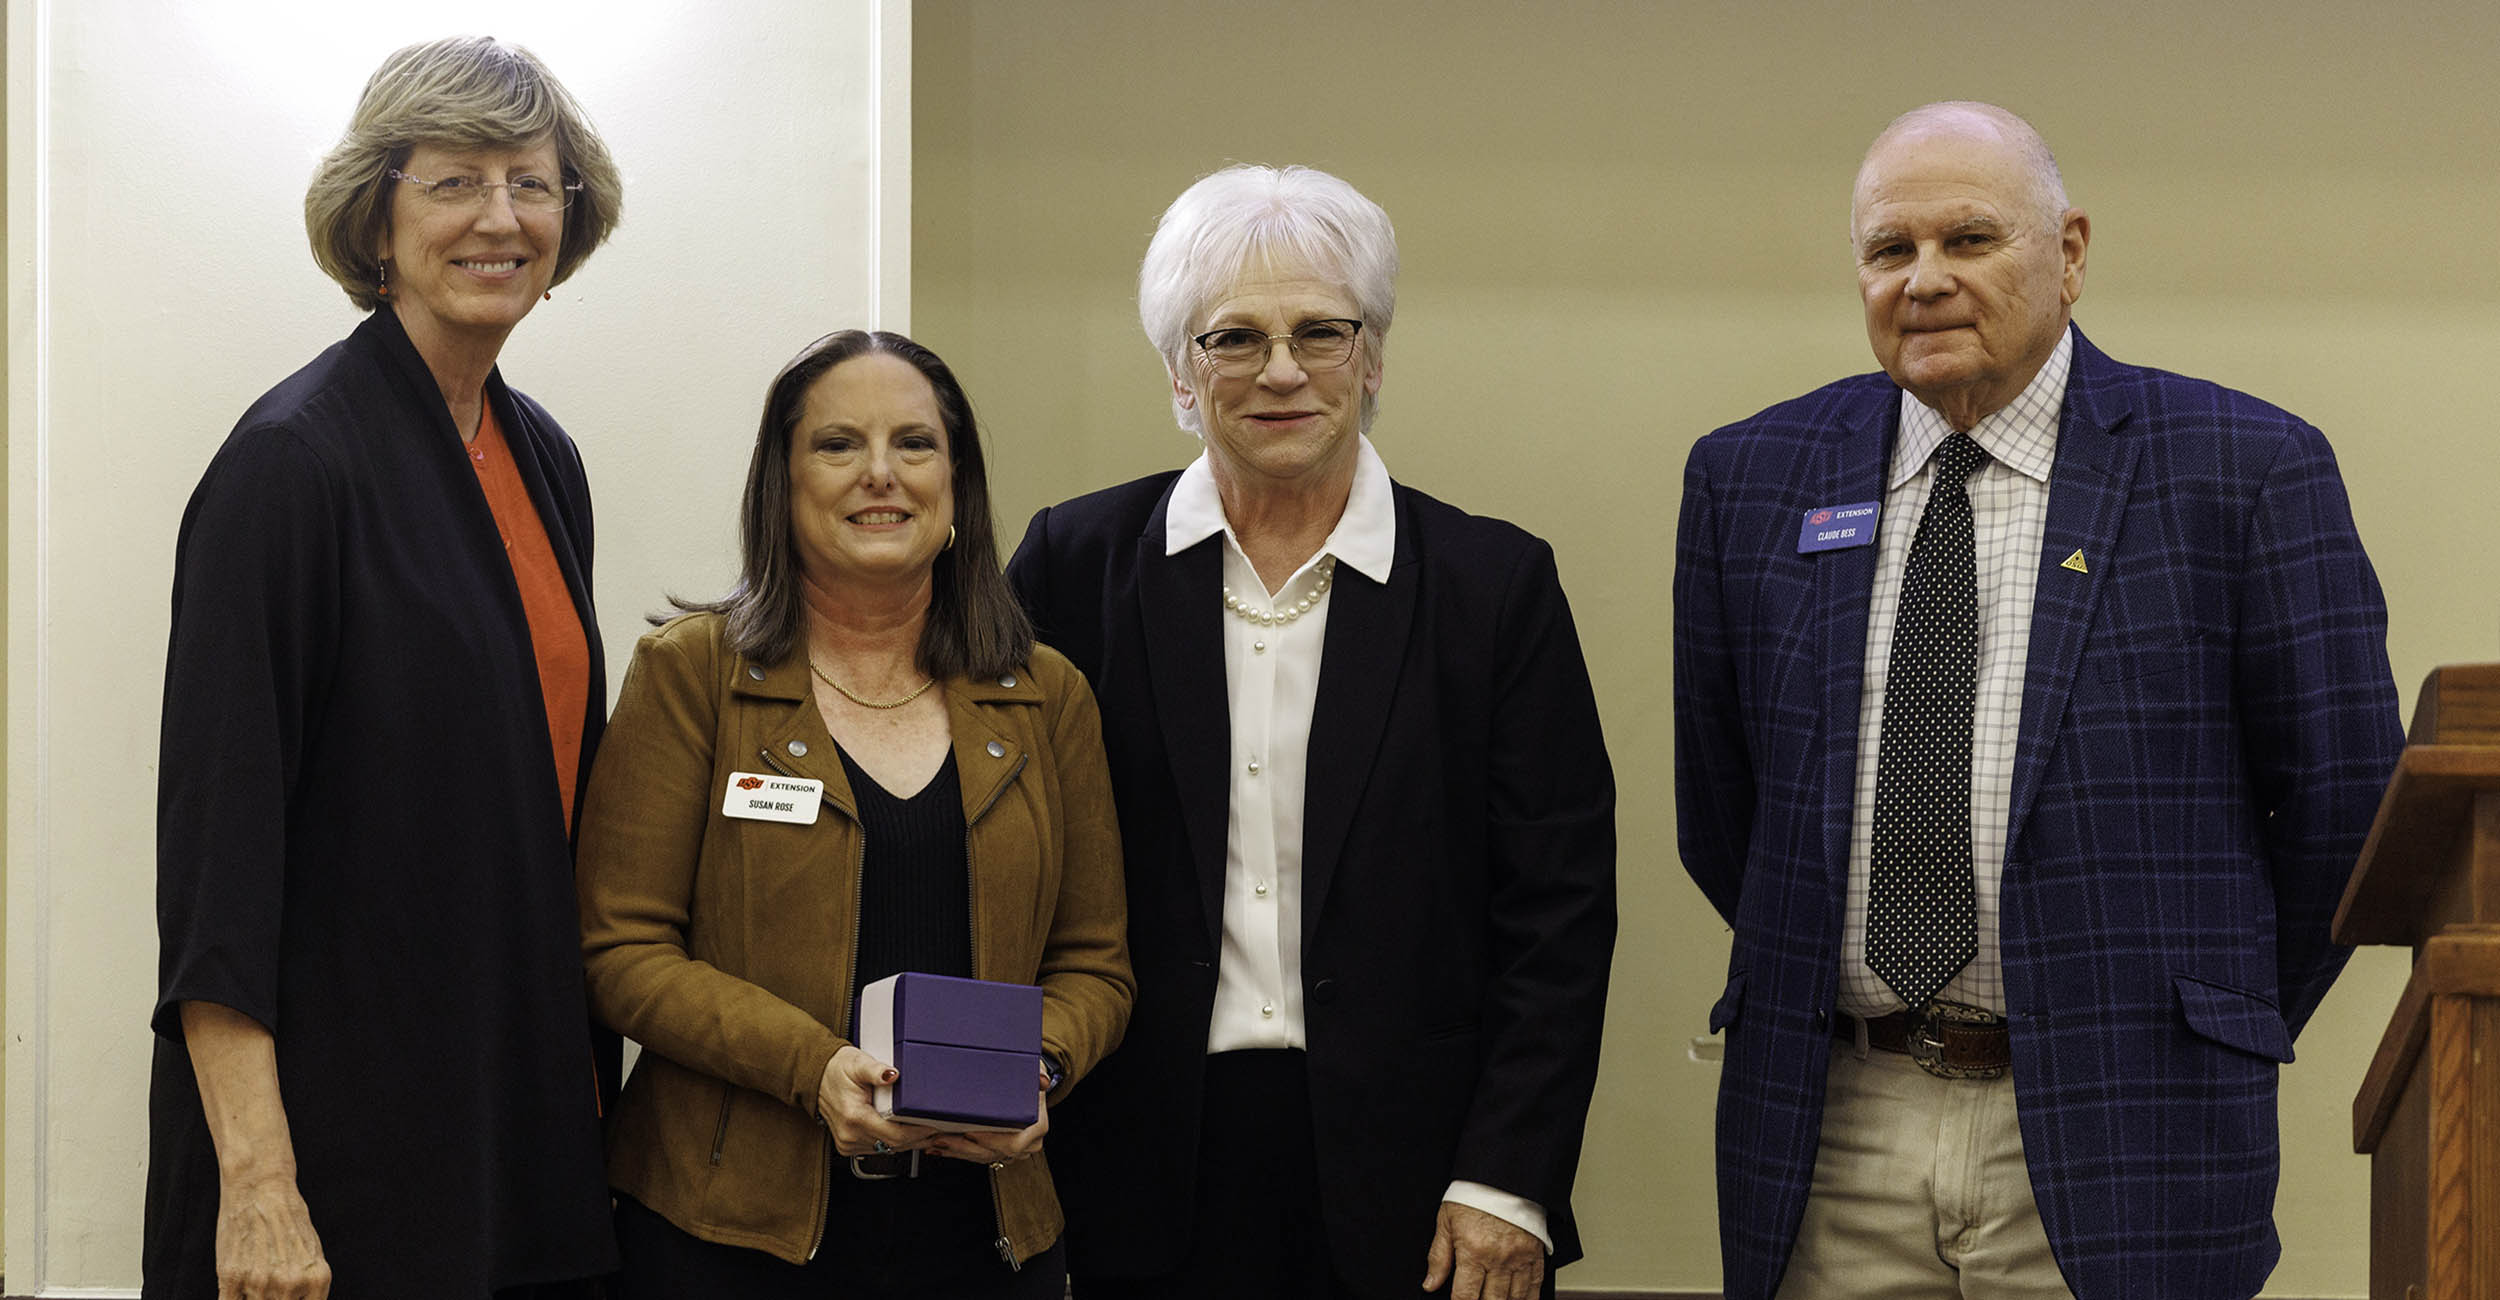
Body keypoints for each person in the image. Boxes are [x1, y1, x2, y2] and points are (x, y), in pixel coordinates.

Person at [1672, 100, 2406, 1300]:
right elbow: (1726, 811)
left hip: (2125, 1120)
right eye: (1888, 250)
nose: (1925, 281)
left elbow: (2341, 811)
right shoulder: (1750, 476)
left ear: (2066, 252)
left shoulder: (2242, 467)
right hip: (1834, 1122)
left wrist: (2182, 1018)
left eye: (1968, 240)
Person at [1008, 164, 1617, 1300]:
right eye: (1232, 337)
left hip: (1423, 1184)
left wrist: (1506, 1179)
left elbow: (1559, 912)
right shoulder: (1074, 564)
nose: (1280, 369)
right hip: (1131, 1161)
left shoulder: (1494, 587)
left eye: (1320, 332)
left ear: (1372, 358)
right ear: (1180, 378)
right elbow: (1001, 866)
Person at [146, 36, 624, 1300]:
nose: (501, 219)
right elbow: (217, 871)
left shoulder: (544, 458)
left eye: (531, 183)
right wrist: (258, 1186)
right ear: (376, 214)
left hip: (507, 1109)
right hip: (332, 1155)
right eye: (455, 181)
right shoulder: (290, 468)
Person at [575, 329, 1132, 1299]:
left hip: (986, 1234)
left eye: (915, 444)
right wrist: (817, 1067)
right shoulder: (692, 675)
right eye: (837, 445)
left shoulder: (1048, 696)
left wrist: (1030, 1072)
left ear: (957, 484)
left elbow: (1095, 964)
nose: (881, 474)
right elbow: (620, 950)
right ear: (781, 484)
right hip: (724, 1238)